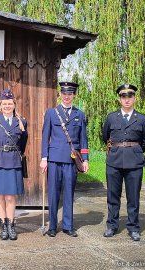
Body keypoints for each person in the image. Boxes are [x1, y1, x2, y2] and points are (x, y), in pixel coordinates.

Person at [102, 84, 145, 241]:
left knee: (133, 197)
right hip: (114, 161)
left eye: (130, 96)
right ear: (119, 99)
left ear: (134, 98)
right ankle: (112, 225)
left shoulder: (142, 119)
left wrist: (134, 150)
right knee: (113, 196)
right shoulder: (111, 117)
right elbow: (105, 136)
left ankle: (133, 227)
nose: (127, 100)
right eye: (124, 97)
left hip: (134, 162)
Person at [40, 82, 89, 238]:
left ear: (74, 95)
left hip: (71, 161)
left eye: (70, 94)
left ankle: (68, 226)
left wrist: (85, 159)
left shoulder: (79, 115)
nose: (67, 97)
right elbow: (45, 137)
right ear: (60, 94)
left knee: (69, 193)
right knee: (53, 194)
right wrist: (44, 158)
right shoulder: (51, 113)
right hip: (54, 160)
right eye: (64, 93)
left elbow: (83, 139)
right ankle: (53, 226)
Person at [0, 89, 28, 240]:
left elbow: (23, 143)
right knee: (1, 196)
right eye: (4, 103)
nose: (7, 106)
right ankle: (3, 225)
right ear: (0, 105)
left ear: (14, 104)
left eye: (10, 103)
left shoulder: (21, 122)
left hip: (14, 161)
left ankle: (11, 224)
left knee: (10, 197)